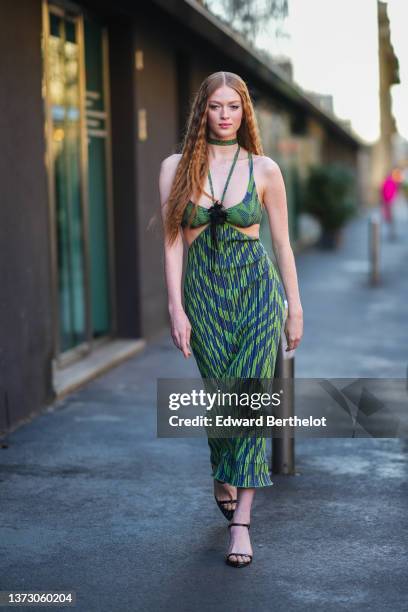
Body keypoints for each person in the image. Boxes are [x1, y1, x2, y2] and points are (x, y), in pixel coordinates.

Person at [159, 71, 303, 568]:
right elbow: (173, 242)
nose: (225, 115)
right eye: (216, 106)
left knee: (249, 399)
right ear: (202, 110)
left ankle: (241, 521)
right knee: (223, 397)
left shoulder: (264, 169)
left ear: (245, 113)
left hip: (257, 294)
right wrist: (176, 308)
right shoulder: (175, 168)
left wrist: (295, 306)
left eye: (234, 107)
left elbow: (282, 245)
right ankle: (223, 469)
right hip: (203, 296)